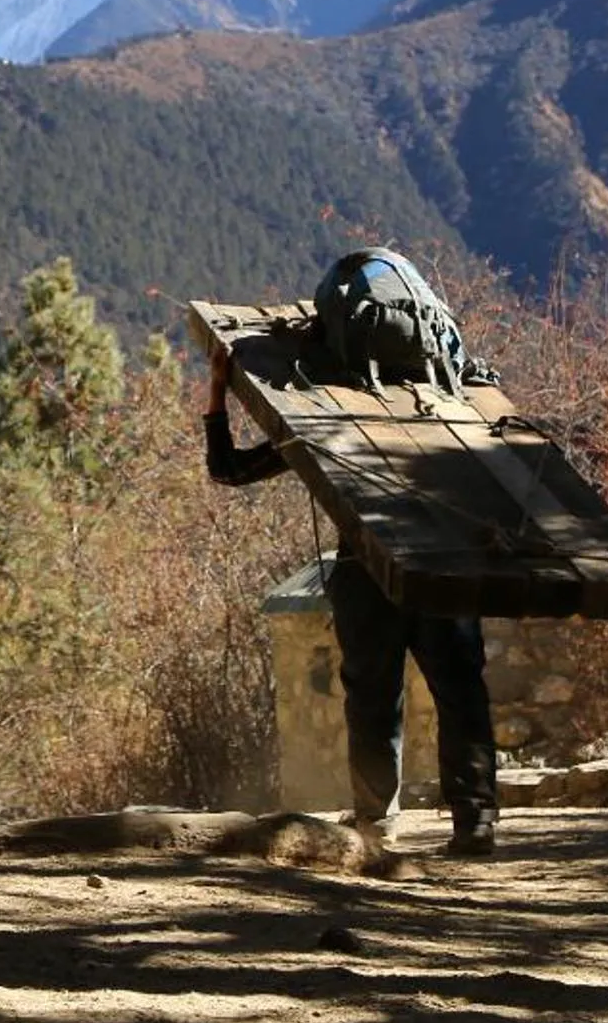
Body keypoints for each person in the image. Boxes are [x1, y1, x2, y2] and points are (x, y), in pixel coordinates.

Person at [204, 349, 499, 857]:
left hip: (365, 570)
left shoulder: (324, 419)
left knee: (372, 699)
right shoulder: (445, 401)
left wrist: (217, 390)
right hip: (446, 563)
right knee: (461, 692)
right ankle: (475, 823)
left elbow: (229, 469)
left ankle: (377, 824)